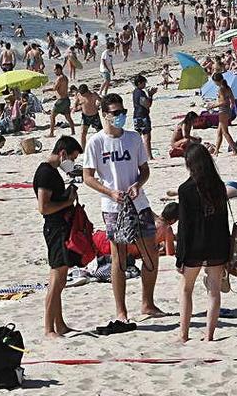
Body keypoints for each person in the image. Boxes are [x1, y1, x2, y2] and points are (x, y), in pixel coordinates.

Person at [83, 93, 163, 334]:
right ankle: (121, 311)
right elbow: (88, 177)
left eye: (122, 112)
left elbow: (144, 170)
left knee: (151, 252)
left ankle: (148, 303)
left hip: (138, 203)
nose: (120, 116)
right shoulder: (96, 142)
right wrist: (109, 192)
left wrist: (138, 185)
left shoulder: (133, 138)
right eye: (115, 113)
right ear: (105, 115)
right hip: (113, 207)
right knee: (119, 258)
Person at [176, 143, 230, 343]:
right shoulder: (219, 186)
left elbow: (184, 228)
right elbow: (224, 221)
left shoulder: (186, 189)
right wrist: (226, 250)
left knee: (185, 289)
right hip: (217, 244)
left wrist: (180, 256)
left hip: (194, 246)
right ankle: (209, 336)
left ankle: (183, 335)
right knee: (214, 291)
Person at [34, 135, 83, 338]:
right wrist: (67, 202)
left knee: (60, 278)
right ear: (62, 153)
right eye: (71, 158)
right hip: (54, 228)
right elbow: (43, 207)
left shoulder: (52, 171)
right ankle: (48, 328)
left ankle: (59, 324)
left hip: (60, 226)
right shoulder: (45, 173)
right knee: (56, 278)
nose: (71, 163)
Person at [206, 73, 237, 155]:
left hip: (223, 111)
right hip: (227, 111)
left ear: (217, 81)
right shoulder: (228, 88)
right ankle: (216, 150)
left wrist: (213, 106)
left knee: (225, 132)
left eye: (215, 82)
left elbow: (223, 102)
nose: (215, 84)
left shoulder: (221, 89)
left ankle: (235, 150)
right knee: (219, 131)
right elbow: (232, 101)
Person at [132, 75, 157, 160]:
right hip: (142, 116)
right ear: (139, 83)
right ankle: (149, 156)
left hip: (136, 116)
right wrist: (150, 95)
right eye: (144, 83)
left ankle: (135, 155)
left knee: (137, 137)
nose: (145, 85)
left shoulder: (135, 92)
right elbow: (147, 104)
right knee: (146, 136)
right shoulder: (140, 92)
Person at [47, 64, 75, 137]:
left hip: (61, 101)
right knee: (68, 117)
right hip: (66, 100)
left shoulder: (60, 78)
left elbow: (55, 88)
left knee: (52, 116)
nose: (54, 71)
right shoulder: (65, 77)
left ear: (59, 69)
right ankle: (73, 131)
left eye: (55, 69)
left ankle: (51, 133)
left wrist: (46, 89)